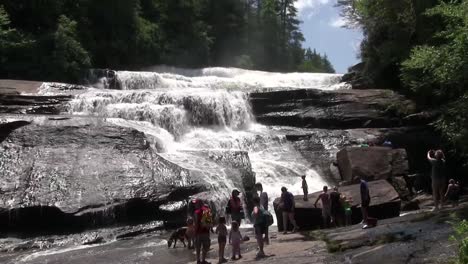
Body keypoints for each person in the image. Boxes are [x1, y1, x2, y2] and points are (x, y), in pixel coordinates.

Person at [194, 199, 212, 264]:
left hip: (198, 233)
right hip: (205, 232)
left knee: (198, 247)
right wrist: (209, 228)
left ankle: (198, 260)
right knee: (205, 246)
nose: (195, 205)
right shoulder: (207, 210)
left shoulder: (196, 212)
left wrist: (195, 233)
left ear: (199, 204)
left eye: (196, 203)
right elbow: (208, 223)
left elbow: (196, 223)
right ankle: (203, 260)